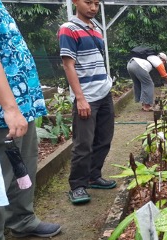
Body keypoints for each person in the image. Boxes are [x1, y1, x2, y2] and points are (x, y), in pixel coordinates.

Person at [0, 1, 62, 240]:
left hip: (22, 105)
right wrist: (9, 107)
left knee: (23, 167)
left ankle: (23, 219)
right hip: (4, 108)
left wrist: (20, 107)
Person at [58, 0, 116, 205]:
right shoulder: (68, 29)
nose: (93, 7)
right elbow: (68, 65)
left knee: (104, 138)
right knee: (83, 144)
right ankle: (78, 185)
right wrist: (80, 98)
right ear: (75, 2)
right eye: (88, 2)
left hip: (104, 93)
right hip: (87, 97)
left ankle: (94, 175)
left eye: (96, 3)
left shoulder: (95, 29)